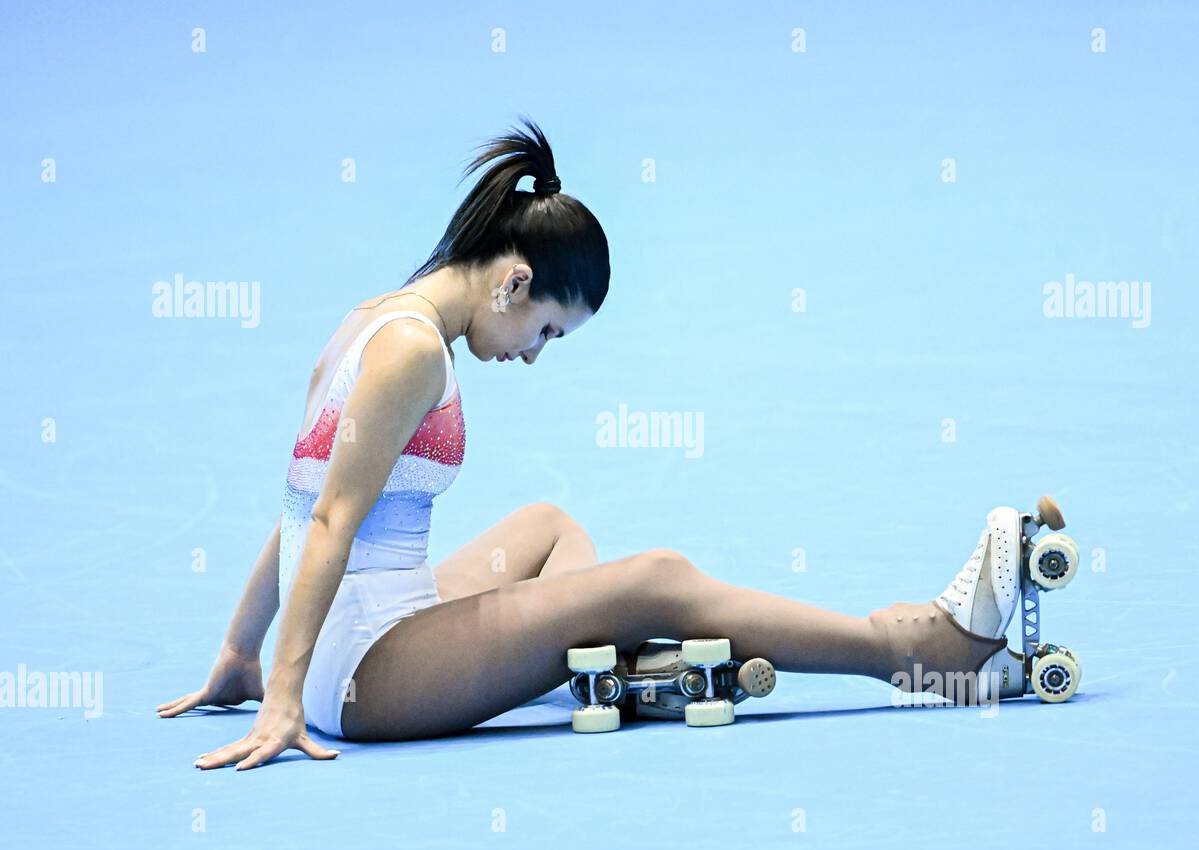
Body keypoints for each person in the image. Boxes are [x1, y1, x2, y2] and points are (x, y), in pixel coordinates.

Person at [158, 117, 1020, 770]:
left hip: (387, 623)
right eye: (546, 331)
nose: (532, 355)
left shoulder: (368, 320)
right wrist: (283, 696)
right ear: (514, 281)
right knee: (656, 578)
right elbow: (330, 518)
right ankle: (912, 653)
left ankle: (627, 665)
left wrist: (240, 652)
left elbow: (296, 504)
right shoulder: (414, 351)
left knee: (549, 525)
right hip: (364, 677)